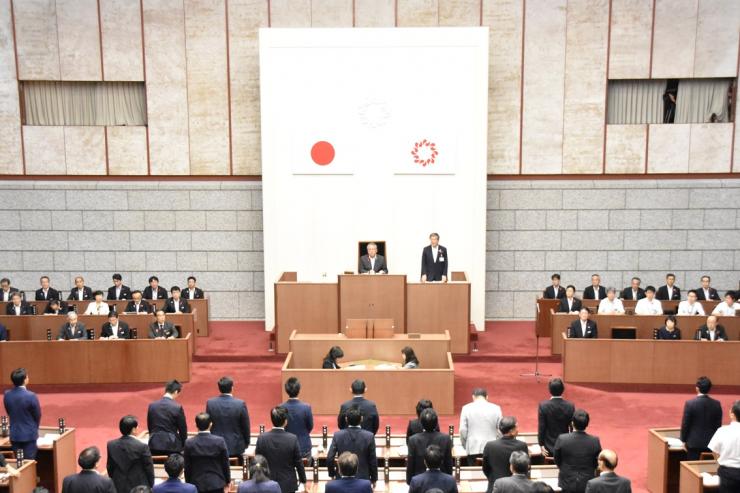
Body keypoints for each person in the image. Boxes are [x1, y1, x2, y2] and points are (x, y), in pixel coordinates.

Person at [255, 406, 306, 493]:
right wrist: (303, 480)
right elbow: (298, 463)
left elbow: (257, 461)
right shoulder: (292, 439)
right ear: (285, 421)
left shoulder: (262, 438)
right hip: (288, 485)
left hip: (267, 484)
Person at [554, 409, 601, 493]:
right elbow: (597, 462)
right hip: (587, 481)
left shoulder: (562, 439)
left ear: (572, 423)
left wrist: (564, 467)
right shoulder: (594, 441)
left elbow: (557, 459)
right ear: (587, 424)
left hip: (567, 480)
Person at [327, 406, 377, 483]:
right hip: (363, 479)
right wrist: (374, 479)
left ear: (346, 419)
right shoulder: (369, 436)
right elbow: (373, 461)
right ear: (361, 419)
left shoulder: (338, 435)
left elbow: (330, 458)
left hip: (341, 479)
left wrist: (332, 474)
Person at [205, 376, 250, 460]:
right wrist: (246, 443)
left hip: (215, 446)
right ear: (232, 388)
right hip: (236, 447)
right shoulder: (240, 404)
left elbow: (207, 424)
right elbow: (245, 426)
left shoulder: (210, 403)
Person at [106, 415, 154, 493]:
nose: (138, 428)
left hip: (118, 484)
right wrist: (151, 485)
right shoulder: (142, 446)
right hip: (138, 486)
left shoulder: (111, 445)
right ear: (133, 430)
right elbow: (149, 468)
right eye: (137, 427)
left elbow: (110, 467)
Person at [184, 413, 230, 493]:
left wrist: (188, 483)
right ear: (210, 424)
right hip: (217, 483)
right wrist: (227, 481)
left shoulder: (189, 443)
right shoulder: (219, 441)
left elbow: (187, 466)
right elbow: (225, 463)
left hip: (196, 484)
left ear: (196, 425)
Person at [681, 376, 723, 460]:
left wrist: (683, 440)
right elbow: (718, 426)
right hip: (710, 444)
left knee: (692, 470)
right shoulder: (716, 404)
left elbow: (686, 424)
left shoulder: (690, 404)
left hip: (693, 444)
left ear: (697, 388)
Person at [3, 368, 41, 459]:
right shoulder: (31, 396)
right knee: (29, 464)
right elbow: (37, 415)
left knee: (19, 462)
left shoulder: (7, 394)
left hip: (14, 434)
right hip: (29, 435)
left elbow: (9, 411)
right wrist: (34, 428)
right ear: (25, 380)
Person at [407, 408, 453, 483]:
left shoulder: (413, 440)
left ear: (421, 423)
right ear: (436, 423)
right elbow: (449, 464)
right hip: (442, 482)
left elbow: (410, 465)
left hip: (419, 482)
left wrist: (410, 482)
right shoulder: (446, 439)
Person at [483, 416, 529, 488]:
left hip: (495, 486)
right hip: (515, 488)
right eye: (516, 427)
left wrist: (493, 479)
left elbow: (485, 468)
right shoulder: (522, 446)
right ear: (511, 431)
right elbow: (525, 469)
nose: (518, 429)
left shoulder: (490, 445)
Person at [460, 388, 502, 465]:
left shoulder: (466, 408)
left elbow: (463, 430)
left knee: (474, 475)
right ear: (487, 397)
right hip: (492, 447)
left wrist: (465, 445)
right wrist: (497, 443)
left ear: (473, 397)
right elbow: (501, 429)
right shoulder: (496, 408)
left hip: (473, 447)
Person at [147, 380, 188, 456]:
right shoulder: (177, 407)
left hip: (154, 445)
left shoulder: (152, 406)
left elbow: (150, 427)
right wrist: (184, 445)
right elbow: (182, 429)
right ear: (176, 392)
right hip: (172, 447)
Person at [538, 378, 575, 458]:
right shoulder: (570, 406)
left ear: (549, 390)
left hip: (548, 447)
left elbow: (542, 427)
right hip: (564, 446)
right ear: (563, 389)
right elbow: (572, 427)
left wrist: (541, 445)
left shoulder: (543, 406)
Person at [708, 401, 740, 493]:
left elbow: (714, 450)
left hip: (727, 474)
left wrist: (718, 460)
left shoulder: (722, 431)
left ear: (732, 414)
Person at [281, 377, 314, 458]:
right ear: (299, 390)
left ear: (286, 390)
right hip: (303, 447)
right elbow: (310, 426)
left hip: (286, 446)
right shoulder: (306, 407)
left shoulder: (281, 407)